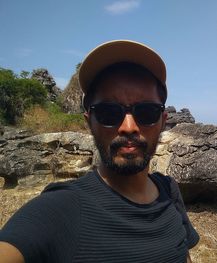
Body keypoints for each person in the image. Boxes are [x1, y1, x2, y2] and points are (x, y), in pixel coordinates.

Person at [0, 40, 199, 263]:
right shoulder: (61, 209)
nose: (129, 127)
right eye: (108, 113)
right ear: (89, 122)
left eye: (146, 111)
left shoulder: (169, 190)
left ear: (163, 121)